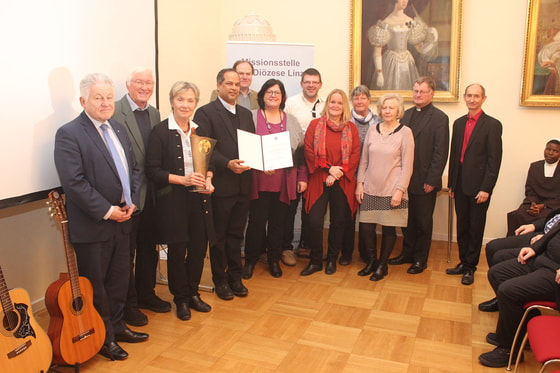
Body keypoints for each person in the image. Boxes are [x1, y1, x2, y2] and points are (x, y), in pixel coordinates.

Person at [54, 73, 148, 361]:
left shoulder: (118, 128)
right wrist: (108, 211)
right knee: (98, 286)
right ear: (83, 101)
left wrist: (130, 203)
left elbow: (134, 169)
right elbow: (75, 183)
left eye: (109, 97)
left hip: (124, 219)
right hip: (94, 225)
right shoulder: (69, 134)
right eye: (98, 97)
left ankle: (118, 327)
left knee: (120, 281)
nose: (106, 103)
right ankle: (103, 337)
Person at [145, 81, 215, 321]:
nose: (185, 104)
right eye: (180, 99)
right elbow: (152, 171)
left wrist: (208, 179)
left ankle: (194, 292)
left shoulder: (200, 128)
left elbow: (210, 162)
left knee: (198, 249)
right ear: (172, 101)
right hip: (173, 201)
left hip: (199, 199)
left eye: (190, 100)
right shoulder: (160, 131)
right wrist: (182, 180)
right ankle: (181, 299)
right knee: (178, 252)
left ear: (196, 103)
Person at [111, 67, 170, 327]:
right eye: (139, 82)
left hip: (153, 195)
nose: (144, 87)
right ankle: (127, 305)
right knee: (127, 255)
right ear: (127, 84)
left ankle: (147, 294)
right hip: (128, 196)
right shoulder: (114, 110)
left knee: (149, 249)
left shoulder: (155, 112)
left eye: (149, 82)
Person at [194, 68, 255, 300]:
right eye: (228, 83)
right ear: (219, 85)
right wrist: (227, 163)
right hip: (220, 185)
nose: (233, 88)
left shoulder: (246, 114)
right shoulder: (205, 113)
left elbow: (251, 146)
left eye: (237, 84)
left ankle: (235, 278)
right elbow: (205, 148)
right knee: (218, 237)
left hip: (243, 186)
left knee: (236, 235)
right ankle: (220, 280)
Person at [478, 209, 560, 368]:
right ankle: (520, 333)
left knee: (509, 290)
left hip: (555, 274)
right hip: (544, 259)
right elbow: (555, 229)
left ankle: (510, 350)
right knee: (497, 274)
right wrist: (535, 248)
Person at [242, 79, 307, 279]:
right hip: (258, 181)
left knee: (278, 224)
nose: (273, 95)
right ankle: (251, 260)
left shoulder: (292, 121)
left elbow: (301, 153)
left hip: (283, 182)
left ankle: (273, 259)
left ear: (282, 97)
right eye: (269, 92)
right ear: (262, 95)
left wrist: (302, 177)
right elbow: (245, 148)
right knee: (256, 223)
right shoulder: (251, 117)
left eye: (277, 92)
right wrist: (260, 164)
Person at [388, 76, 449, 274]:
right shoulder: (406, 115)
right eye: (415, 91)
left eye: (422, 91)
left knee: (423, 222)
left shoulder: (440, 118)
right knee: (406, 219)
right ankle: (407, 253)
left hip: (424, 180)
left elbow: (440, 153)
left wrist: (432, 179)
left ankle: (420, 259)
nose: (418, 95)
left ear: (431, 94)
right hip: (404, 180)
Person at [300, 89, 361, 276]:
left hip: (343, 180)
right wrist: (328, 169)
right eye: (332, 102)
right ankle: (316, 260)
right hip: (319, 177)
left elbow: (355, 156)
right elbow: (309, 152)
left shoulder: (351, 128)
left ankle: (332, 260)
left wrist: (335, 174)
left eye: (340, 103)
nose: (335, 106)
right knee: (314, 220)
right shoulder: (314, 125)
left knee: (339, 221)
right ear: (327, 104)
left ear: (345, 107)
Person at [447, 83, 503, 286]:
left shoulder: (492, 125)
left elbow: (494, 160)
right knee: (462, 226)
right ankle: (463, 262)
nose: (472, 99)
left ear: (483, 99)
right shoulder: (459, 123)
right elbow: (454, 156)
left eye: (476, 96)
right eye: (469, 95)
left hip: (479, 187)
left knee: (475, 228)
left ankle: (471, 267)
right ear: (464, 97)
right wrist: (452, 183)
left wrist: (486, 188)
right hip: (460, 185)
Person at [355, 93, 414, 281]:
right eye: (384, 107)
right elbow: (364, 160)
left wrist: (400, 190)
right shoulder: (373, 130)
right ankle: (372, 261)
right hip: (370, 188)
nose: (387, 111)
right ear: (380, 110)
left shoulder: (406, 133)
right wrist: (359, 184)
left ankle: (383, 265)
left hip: (392, 191)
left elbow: (407, 166)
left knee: (389, 229)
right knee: (366, 227)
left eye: (391, 108)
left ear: (399, 111)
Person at [283, 68, 325, 262]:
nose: (311, 85)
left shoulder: (326, 105)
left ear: (320, 84)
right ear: (301, 84)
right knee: (290, 207)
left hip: (318, 165)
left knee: (311, 206)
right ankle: (286, 247)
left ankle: (306, 245)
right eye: (307, 82)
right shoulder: (290, 104)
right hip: (295, 162)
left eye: (314, 82)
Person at [341, 85, 381, 265]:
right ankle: (346, 253)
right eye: (356, 98)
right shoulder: (344, 119)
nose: (359, 101)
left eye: (363, 97)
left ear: (369, 100)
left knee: (367, 217)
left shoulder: (379, 122)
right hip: (348, 175)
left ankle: (366, 253)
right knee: (347, 216)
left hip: (371, 176)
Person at [367, 0, 438, 90]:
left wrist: (432, 43)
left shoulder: (411, 21)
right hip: (391, 61)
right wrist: (380, 73)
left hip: (407, 62)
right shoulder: (385, 23)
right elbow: (377, 52)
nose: (404, 2)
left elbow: (420, 49)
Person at [506, 139, 560, 236]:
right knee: (518, 215)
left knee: (546, 219)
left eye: (555, 151)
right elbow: (530, 190)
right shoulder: (535, 166)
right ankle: (512, 244)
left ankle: (537, 247)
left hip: (553, 206)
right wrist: (534, 205)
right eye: (548, 149)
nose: (550, 153)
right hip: (533, 203)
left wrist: (543, 206)